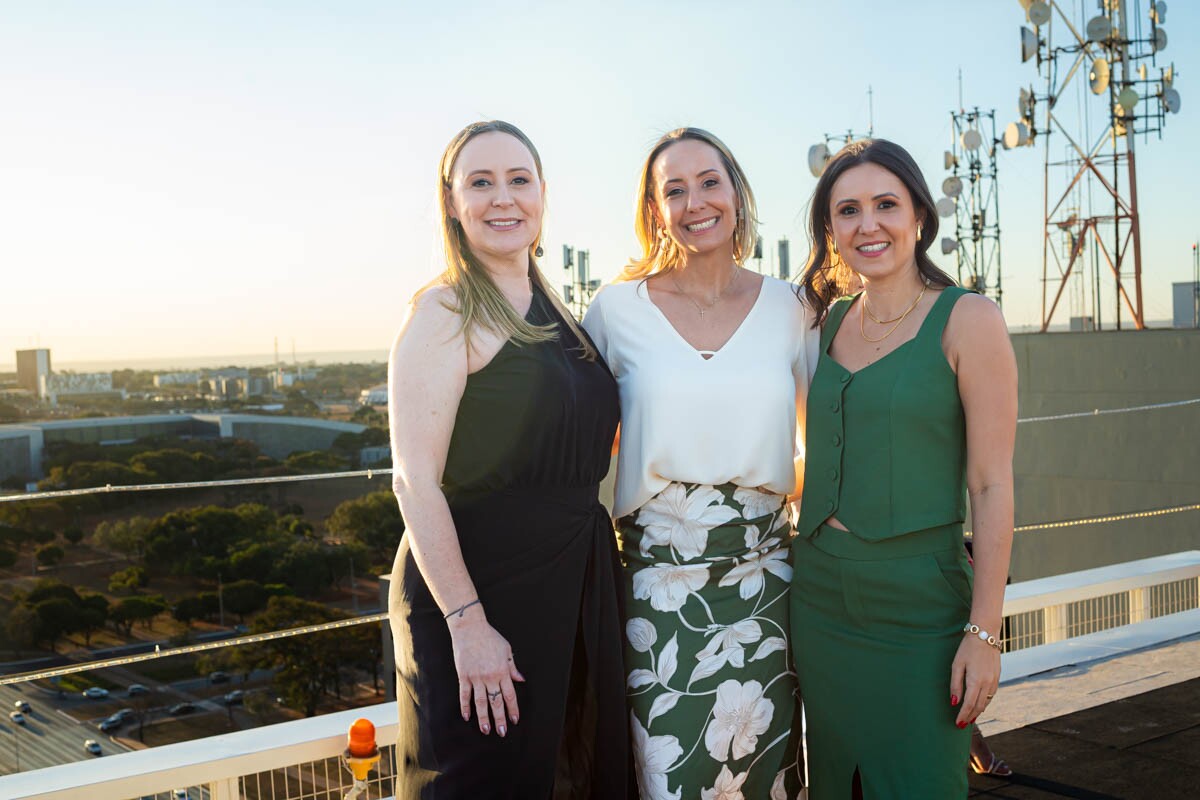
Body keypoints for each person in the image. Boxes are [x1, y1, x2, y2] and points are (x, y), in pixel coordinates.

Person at [387, 120, 629, 799]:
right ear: (452, 202)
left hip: (569, 592)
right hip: (479, 600)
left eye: (518, 180)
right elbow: (414, 481)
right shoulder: (444, 311)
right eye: (481, 182)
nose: (503, 198)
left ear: (542, 195)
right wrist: (469, 625)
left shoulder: (558, 309)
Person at [583, 127, 815, 800]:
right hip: (659, 584)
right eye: (673, 190)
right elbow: (576, 437)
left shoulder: (791, 309)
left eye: (709, 182)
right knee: (669, 774)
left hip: (767, 581)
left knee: (766, 773)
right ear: (654, 211)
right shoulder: (615, 311)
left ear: (737, 194)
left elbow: (830, 437)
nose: (695, 203)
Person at [789, 138, 1017, 799]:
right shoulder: (823, 323)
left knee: (921, 784)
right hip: (820, 599)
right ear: (829, 231)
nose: (869, 224)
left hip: (922, 608)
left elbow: (992, 483)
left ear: (919, 215)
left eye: (886, 204)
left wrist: (984, 633)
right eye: (848, 210)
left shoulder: (967, 319)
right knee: (837, 784)